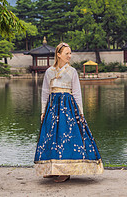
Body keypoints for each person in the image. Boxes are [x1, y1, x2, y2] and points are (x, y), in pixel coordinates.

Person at [34, 42, 104, 182]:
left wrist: (81, 112)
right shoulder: (49, 72)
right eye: (67, 53)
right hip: (53, 108)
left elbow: (77, 93)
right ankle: (52, 169)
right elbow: (45, 93)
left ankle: (65, 172)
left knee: (65, 137)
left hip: (68, 108)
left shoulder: (72, 72)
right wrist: (43, 111)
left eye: (70, 53)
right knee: (51, 138)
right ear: (58, 55)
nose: (69, 56)